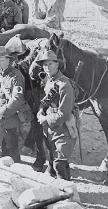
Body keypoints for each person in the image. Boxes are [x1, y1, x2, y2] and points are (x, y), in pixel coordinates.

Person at [0, 46, 32, 162]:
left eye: (1, 60)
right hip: (1, 111)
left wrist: (1, 114)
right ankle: (7, 159)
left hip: (14, 112)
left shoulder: (16, 76)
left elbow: (17, 100)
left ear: (8, 60)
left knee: (9, 138)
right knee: (8, 142)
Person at [36, 50, 77, 180]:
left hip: (64, 129)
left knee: (59, 164)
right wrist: (40, 110)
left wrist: (44, 119)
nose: (47, 68)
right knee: (56, 159)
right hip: (51, 130)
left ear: (57, 64)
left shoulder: (65, 85)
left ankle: (65, 190)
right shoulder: (48, 81)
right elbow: (45, 101)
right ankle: (67, 185)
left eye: (50, 64)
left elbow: (63, 114)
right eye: (44, 65)